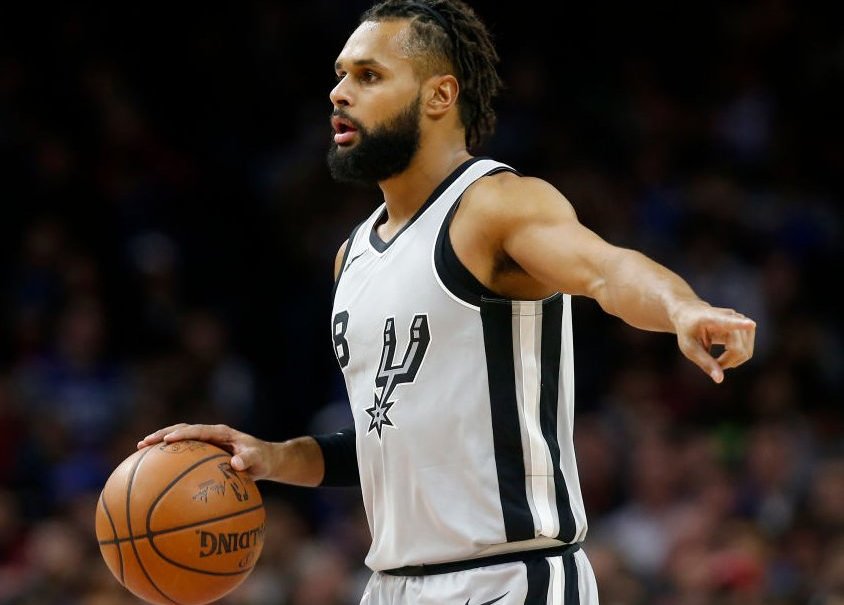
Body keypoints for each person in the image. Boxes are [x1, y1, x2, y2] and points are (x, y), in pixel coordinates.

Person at [138, 1, 757, 603]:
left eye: (369, 75)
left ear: (440, 96)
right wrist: (271, 457)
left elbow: (605, 270)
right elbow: (390, 441)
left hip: (509, 578)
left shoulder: (495, 206)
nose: (339, 93)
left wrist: (680, 308)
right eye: (340, 75)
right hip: (391, 584)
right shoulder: (351, 255)